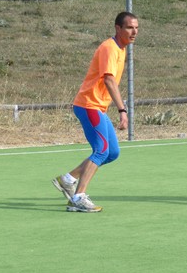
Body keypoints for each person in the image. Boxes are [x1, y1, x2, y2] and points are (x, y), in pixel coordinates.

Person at [52, 12, 139, 213]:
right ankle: (78, 198)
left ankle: (68, 179)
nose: (134, 31)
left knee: (112, 153)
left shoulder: (122, 48)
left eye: (136, 27)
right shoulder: (109, 48)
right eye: (129, 27)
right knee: (101, 150)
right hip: (89, 105)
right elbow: (108, 80)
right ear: (118, 28)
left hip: (97, 107)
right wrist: (122, 110)